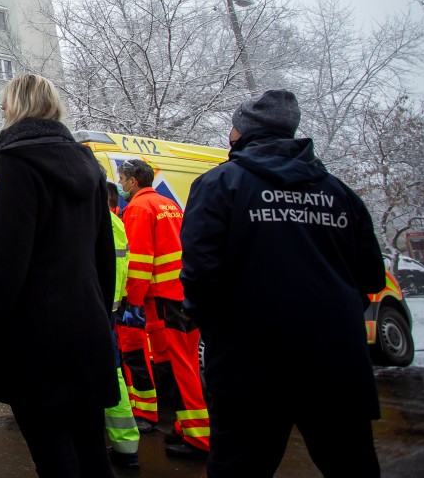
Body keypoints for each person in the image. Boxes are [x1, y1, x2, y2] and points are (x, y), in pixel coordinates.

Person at [181, 89, 386, 477]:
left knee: (239, 467)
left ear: (241, 132)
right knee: (352, 464)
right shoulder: (339, 193)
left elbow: (199, 272)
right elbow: (371, 275)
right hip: (336, 360)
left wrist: (217, 328)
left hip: (250, 362)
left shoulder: (220, 185)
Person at [0, 74, 117, 478]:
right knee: (92, 450)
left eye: (4, 106)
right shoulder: (89, 164)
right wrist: (101, 317)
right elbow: (104, 256)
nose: (1, 112)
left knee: (53, 451)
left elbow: (8, 261)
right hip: (88, 327)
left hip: (36, 338)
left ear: (16, 108)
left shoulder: (17, 162)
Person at [117, 158, 210, 458]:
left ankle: (198, 438)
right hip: (182, 295)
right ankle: (187, 427)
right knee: (184, 364)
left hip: (161, 299)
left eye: (122, 179)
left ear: (133, 181)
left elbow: (140, 261)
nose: (120, 184)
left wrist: (132, 301)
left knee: (178, 365)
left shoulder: (139, 208)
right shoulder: (168, 204)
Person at [103, 181, 141, 470]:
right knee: (113, 373)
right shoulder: (118, 224)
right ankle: (126, 446)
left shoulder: (96, 223)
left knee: (106, 374)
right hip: (112, 309)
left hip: (96, 312)